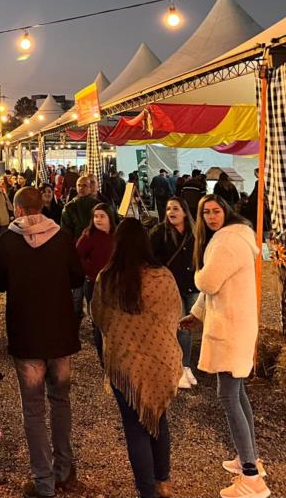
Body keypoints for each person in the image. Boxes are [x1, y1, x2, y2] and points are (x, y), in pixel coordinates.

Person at [0, 187, 84, 498]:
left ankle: (43, 482)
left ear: (17, 209)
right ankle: (65, 470)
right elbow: (77, 278)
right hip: (60, 333)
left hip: (26, 334)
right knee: (61, 401)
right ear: (42, 206)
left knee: (33, 410)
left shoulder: (6, 241)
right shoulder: (62, 236)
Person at [180, 195, 270, 498]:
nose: (210, 216)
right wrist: (196, 314)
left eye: (216, 211)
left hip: (230, 327)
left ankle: (251, 478)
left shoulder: (224, 241)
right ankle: (250, 458)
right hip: (236, 324)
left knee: (228, 395)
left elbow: (208, 282)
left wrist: (196, 274)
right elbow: (218, 288)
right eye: (206, 212)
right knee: (236, 391)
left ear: (225, 211)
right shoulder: (238, 236)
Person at [91, 218, 182, 498]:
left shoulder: (108, 278)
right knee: (158, 418)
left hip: (125, 364)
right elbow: (174, 315)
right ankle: (162, 481)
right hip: (161, 360)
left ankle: (147, 491)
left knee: (135, 427)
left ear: (117, 244)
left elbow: (99, 319)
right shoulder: (164, 276)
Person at [150, 197, 199, 390]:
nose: (171, 211)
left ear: (185, 212)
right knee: (181, 328)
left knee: (188, 328)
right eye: (169, 208)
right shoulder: (159, 233)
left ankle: (185, 366)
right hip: (171, 288)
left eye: (176, 208)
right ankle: (180, 367)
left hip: (193, 286)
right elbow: (149, 259)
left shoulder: (195, 233)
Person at [75, 203, 116, 359]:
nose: (98, 220)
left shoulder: (117, 235)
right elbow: (76, 256)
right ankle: (102, 356)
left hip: (114, 284)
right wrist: (90, 267)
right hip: (94, 283)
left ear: (110, 217)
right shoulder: (89, 235)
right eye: (96, 216)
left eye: (102, 216)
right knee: (98, 321)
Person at [60, 176, 98, 241]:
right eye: (79, 185)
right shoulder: (69, 207)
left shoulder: (97, 205)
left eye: (84, 185)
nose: (81, 188)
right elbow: (65, 232)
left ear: (90, 187)